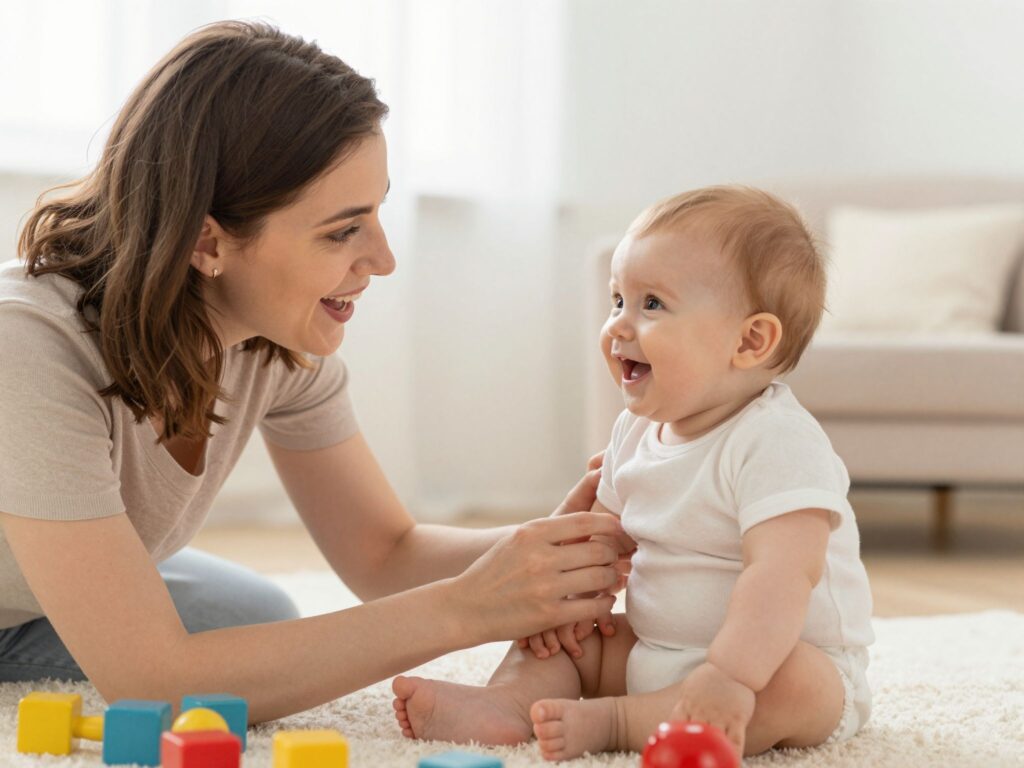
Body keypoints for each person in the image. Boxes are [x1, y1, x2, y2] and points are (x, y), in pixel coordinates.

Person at [0, 21, 627, 723]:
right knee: (184, 655)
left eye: (378, 212)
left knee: (251, 614)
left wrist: (558, 550)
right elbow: (151, 684)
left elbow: (386, 554)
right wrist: (465, 611)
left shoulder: (274, 342)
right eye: (342, 230)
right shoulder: (26, 347)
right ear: (207, 240)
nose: (383, 259)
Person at [392, 186, 875, 760]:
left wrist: (729, 675)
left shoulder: (777, 442)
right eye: (618, 299)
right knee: (564, 644)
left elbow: (781, 577)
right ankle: (506, 702)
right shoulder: (634, 432)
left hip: (772, 667)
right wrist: (566, 607)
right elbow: (599, 541)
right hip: (654, 648)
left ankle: (618, 722)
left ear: (749, 340)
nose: (619, 325)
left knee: (792, 682)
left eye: (652, 305)